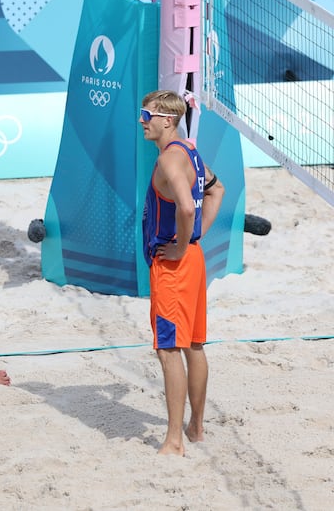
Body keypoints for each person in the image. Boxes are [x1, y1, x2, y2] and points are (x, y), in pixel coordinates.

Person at [139, 89, 225, 456]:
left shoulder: (169, 163)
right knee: (194, 344)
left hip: (174, 265)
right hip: (193, 260)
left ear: (167, 120)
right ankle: (196, 428)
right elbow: (216, 190)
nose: (141, 122)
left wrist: (179, 242)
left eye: (147, 115)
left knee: (169, 349)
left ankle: (174, 441)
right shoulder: (189, 151)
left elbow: (187, 209)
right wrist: (194, 240)